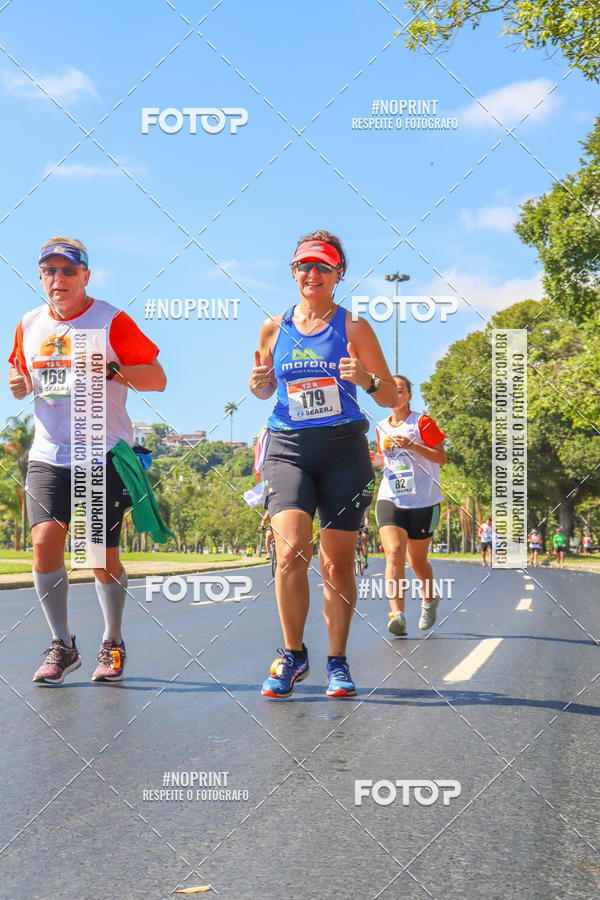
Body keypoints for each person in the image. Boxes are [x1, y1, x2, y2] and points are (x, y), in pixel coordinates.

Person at [8, 237, 166, 685]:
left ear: (85, 276)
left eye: (68, 271)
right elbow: (20, 372)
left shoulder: (111, 320)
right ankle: (62, 644)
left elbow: (157, 378)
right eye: (50, 271)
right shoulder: (29, 323)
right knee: (44, 542)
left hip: (101, 454)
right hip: (48, 454)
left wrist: (113, 370)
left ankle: (112, 641)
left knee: (99, 555)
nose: (58, 279)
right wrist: (19, 384)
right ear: (41, 277)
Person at [248, 230, 397, 699]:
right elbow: (264, 389)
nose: (312, 274)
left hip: (342, 450)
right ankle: (293, 655)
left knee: (336, 563)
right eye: (304, 266)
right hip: (288, 447)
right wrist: (258, 383)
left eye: (322, 267)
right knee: (291, 551)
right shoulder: (273, 327)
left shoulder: (354, 328)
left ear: (338, 274)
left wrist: (367, 380)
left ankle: (337, 660)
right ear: (293, 272)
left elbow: (390, 395)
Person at [370, 375, 446, 636]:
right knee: (394, 552)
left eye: (400, 390)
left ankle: (429, 601)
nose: (396, 394)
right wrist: (376, 459)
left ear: (409, 396)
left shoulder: (422, 422)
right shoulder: (381, 427)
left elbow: (441, 457)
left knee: (417, 561)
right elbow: (390, 462)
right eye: (391, 390)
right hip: (391, 497)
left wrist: (413, 445)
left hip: (424, 501)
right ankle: (397, 615)